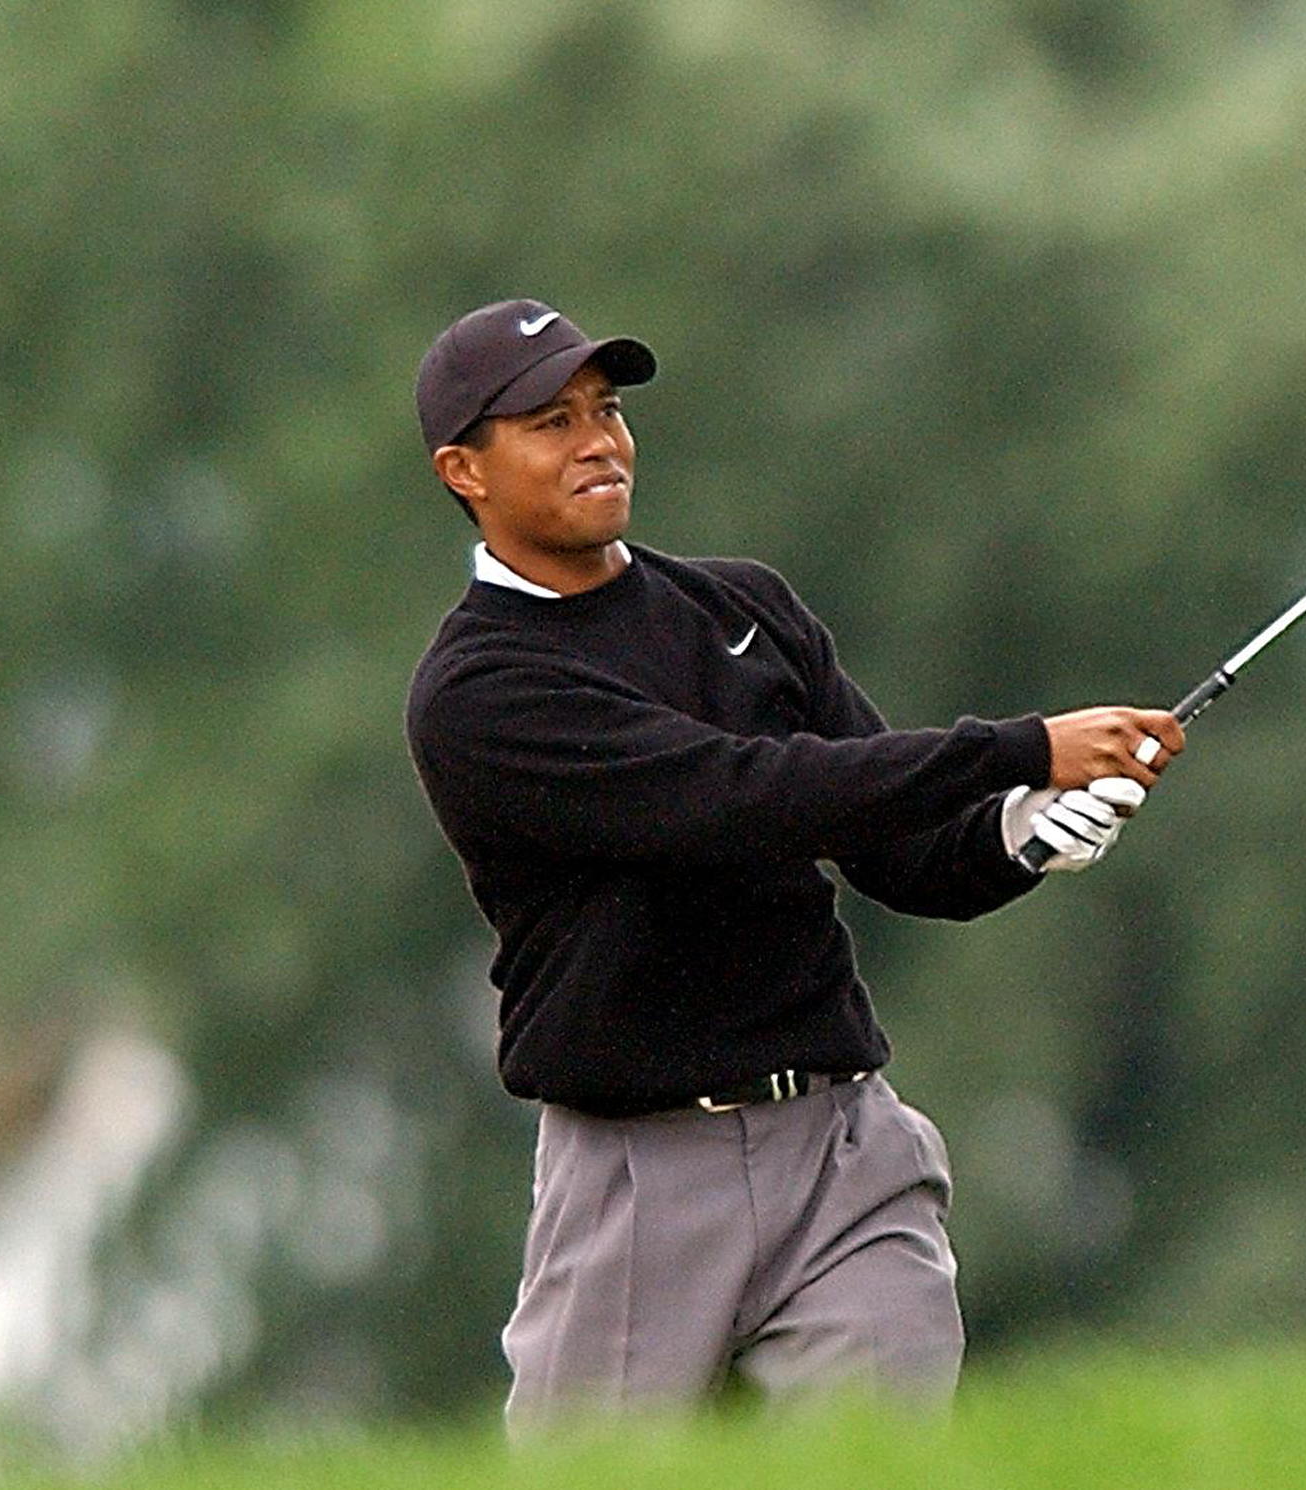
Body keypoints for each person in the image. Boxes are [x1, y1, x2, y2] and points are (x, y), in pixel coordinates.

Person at [401, 299, 1183, 1428]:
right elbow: (739, 798)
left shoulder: (743, 607)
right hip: (636, 1179)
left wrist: (1022, 829)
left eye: (607, 411)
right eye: (552, 423)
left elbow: (910, 859)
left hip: (840, 1156)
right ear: (464, 470)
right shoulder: (479, 690)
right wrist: (1019, 750)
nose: (599, 442)